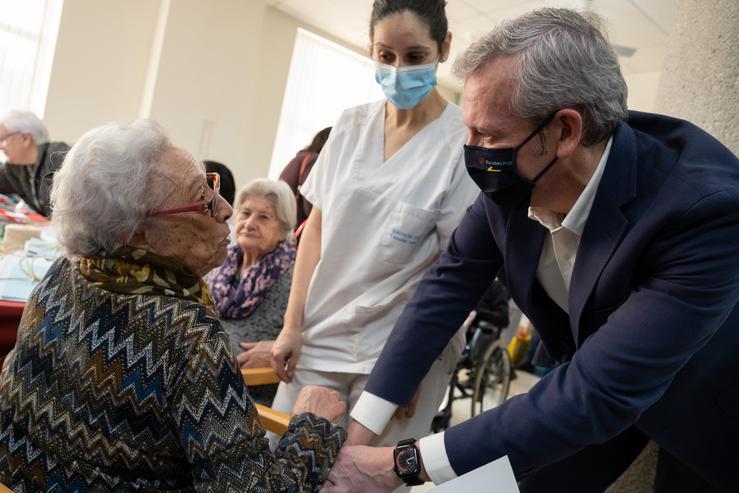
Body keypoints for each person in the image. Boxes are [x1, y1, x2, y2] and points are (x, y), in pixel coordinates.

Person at [324, 8, 739, 493]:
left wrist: (400, 464)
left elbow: (596, 392)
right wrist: (362, 430)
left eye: (488, 135)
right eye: (468, 130)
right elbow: (446, 289)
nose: (472, 150)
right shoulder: (513, 178)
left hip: (703, 407)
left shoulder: (706, 212)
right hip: (581, 397)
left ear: (564, 131)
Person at [0, 119, 347, 491]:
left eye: (210, 184)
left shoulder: (61, 276)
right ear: (139, 233)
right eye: (202, 198)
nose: (226, 209)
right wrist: (312, 426)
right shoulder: (187, 333)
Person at [270, 0, 479, 447]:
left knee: (361, 477)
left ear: (443, 47)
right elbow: (316, 234)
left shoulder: (461, 143)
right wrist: (291, 325)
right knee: (286, 465)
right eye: (385, 56)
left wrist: (416, 362)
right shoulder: (349, 127)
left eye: (415, 56)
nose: (399, 70)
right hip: (319, 335)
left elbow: (454, 271)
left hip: (395, 351)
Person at [210, 178, 297, 405]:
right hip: (199, 376)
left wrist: (277, 351)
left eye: (264, 217)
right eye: (245, 213)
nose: (249, 223)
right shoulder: (216, 261)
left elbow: (308, 338)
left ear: (283, 230)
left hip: (250, 396)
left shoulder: (296, 277)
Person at [0, 110, 69, 216]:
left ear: (25, 139)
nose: (1, 147)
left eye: (2, 139)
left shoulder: (61, 158)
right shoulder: (16, 168)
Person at [279, 127, 331, 228]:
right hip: (297, 228)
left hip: (283, 223)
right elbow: (311, 204)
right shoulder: (314, 162)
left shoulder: (298, 159)